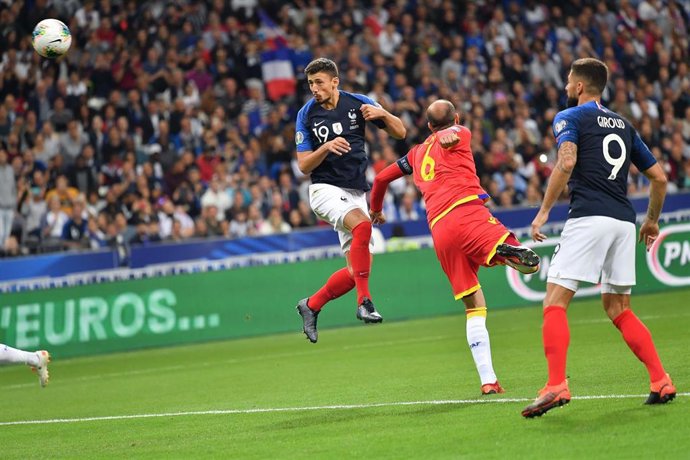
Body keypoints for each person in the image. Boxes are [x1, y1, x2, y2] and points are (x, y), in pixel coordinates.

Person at [522, 58, 675, 418]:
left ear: (578, 87)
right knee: (618, 308)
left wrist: (543, 211)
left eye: (567, 83)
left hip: (589, 217)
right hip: (624, 221)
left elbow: (567, 160)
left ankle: (556, 384)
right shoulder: (624, 124)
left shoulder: (569, 118)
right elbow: (660, 178)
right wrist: (651, 221)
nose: (564, 89)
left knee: (554, 302)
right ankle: (661, 380)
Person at [369, 99, 540, 395]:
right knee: (531, 263)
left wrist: (376, 209)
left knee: (474, 305)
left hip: (440, 230)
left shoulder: (415, 153)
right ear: (456, 117)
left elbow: (382, 177)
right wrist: (450, 136)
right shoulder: (462, 131)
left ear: (427, 126)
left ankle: (488, 380)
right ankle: (505, 249)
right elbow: (454, 135)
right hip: (467, 212)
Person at [294, 58, 406, 343]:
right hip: (323, 189)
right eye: (310, 84)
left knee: (356, 270)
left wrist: (381, 113)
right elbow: (304, 166)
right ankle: (364, 303)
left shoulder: (358, 102)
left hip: (355, 191)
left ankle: (312, 305)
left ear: (335, 81)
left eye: (319, 82)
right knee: (362, 226)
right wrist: (326, 147)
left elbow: (400, 132)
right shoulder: (306, 114)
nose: (314, 89)